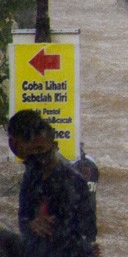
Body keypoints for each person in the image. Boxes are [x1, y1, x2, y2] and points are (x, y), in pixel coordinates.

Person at [4, 110, 100, 257]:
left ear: (54, 146)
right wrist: (32, 224)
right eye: (32, 151)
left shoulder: (71, 180)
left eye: (41, 149)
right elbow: (24, 217)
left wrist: (48, 226)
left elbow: (85, 232)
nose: (37, 155)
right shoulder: (32, 174)